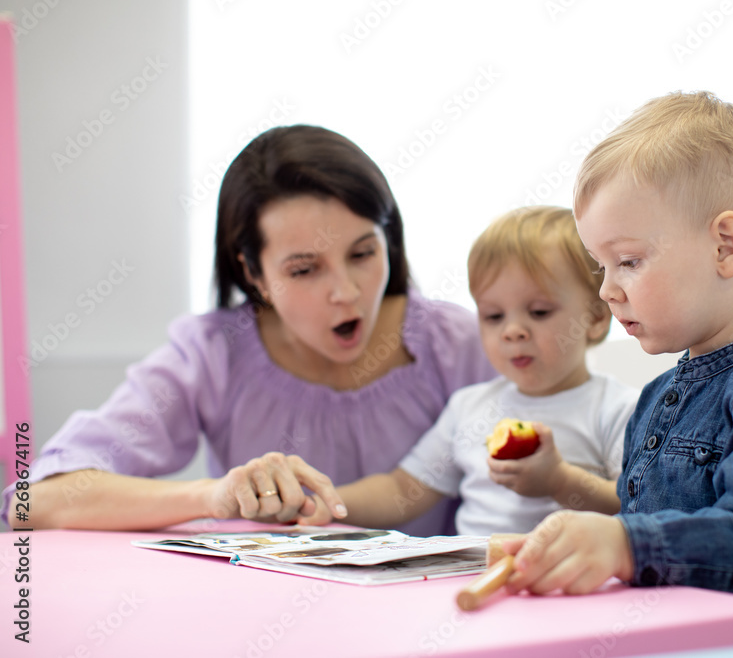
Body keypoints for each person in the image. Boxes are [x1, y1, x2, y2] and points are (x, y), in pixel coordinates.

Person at [3, 125, 497, 536]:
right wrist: (213, 496)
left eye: (363, 254)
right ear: (253, 274)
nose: (344, 292)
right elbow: (35, 502)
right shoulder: (212, 354)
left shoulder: (465, 344)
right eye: (305, 270)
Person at [502, 92, 733, 608]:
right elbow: (647, 533)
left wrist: (623, 546)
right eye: (599, 266)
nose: (607, 289)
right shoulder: (656, 397)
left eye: (628, 260)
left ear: (725, 246)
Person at [330, 206, 639, 535]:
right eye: (493, 316)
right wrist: (326, 503)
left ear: (595, 319)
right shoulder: (468, 407)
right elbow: (404, 491)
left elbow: (638, 504)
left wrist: (560, 482)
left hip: (569, 580)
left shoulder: (619, 409)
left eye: (538, 311)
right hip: (470, 575)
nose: (512, 331)